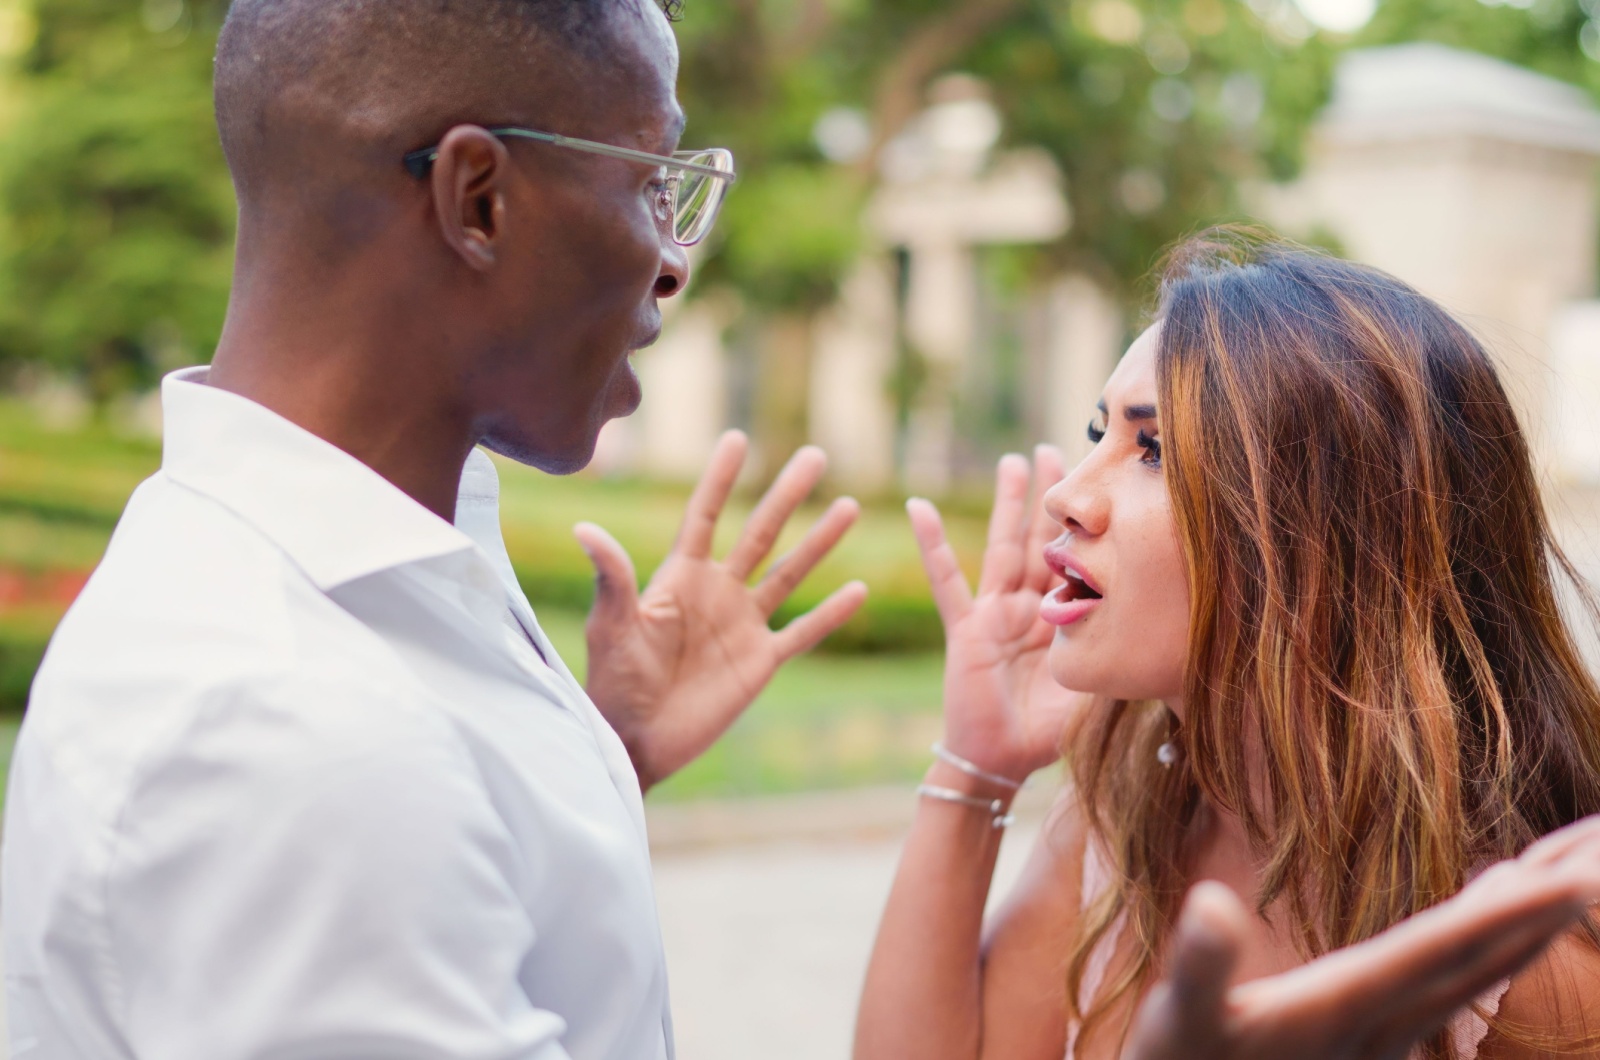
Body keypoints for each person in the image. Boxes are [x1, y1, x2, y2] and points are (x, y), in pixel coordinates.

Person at [1, 1, 868, 1058]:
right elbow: (354, 795)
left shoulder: (315, 587)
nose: (672, 261)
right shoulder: (283, 726)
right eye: (650, 182)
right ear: (480, 200)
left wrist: (583, 764)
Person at [856, 230, 1600, 1060]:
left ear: (1329, 541)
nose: (1067, 495)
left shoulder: (1534, 961)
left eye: (1154, 451)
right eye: (1099, 433)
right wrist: (976, 765)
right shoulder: (1123, 829)